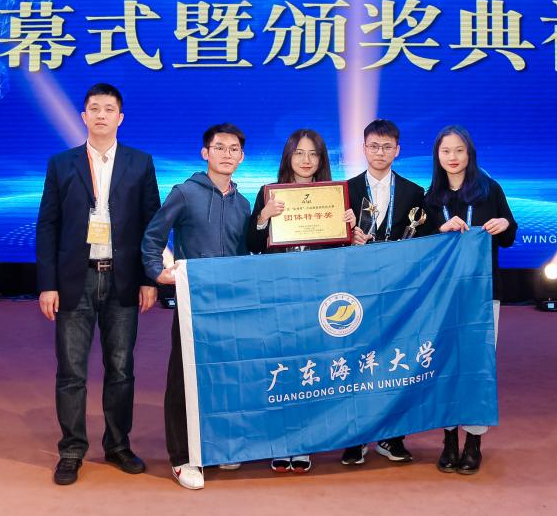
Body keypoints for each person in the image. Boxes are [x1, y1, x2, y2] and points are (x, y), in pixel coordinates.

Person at [35, 83, 161, 486]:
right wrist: (48, 284)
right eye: (94, 108)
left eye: (109, 109)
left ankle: (118, 445)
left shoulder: (140, 163)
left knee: (121, 369)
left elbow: (152, 226)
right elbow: (48, 225)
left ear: (120, 118)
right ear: (84, 116)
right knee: (71, 371)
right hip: (76, 278)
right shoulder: (62, 164)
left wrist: (149, 278)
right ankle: (72, 450)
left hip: (123, 279)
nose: (101, 115)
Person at [141, 124, 252, 490]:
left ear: (241, 156)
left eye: (233, 149)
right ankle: (181, 457)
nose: (226, 154)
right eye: (219, 147)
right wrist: (157, 271)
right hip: (194, 301)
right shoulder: (185, 193)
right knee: (184, 377)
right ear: (206, 153)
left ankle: (216, 447)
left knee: (222, 375)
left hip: (230, 304)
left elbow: (244, 251)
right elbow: (153, 235)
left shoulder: (243, 203)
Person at [248, 128, 355, 474]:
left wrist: (348, 227)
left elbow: (343, 252)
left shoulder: (335, 196)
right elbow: (251, 244)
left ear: (321, 159)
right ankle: (281, 440)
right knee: (281, 366)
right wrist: (263, 217)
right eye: (299, 153)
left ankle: (305, 441)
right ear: (288, 157)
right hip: (278, 293)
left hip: (318, 294)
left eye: (313, 154)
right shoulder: (268, 193)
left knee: (311, 367)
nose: (306, 160)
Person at [422, 125, 516, 476]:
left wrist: (504, 224)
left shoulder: (490, 190)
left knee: (478, 366)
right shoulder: (431, 198)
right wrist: (439, 231)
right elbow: (420, 249)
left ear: (469, 153)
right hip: (442, 297)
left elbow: (509, 236)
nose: (453, 157)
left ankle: (474, 442)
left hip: (483, 293)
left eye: (459, 150)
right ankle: (449, 440)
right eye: (446, 151)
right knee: (445, 364)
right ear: (437, 156)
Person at [339, 119, 425, 467]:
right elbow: (332, 239)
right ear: (363, 148)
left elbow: (422, 241)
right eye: (374, 146)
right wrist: (349, 238)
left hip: (398, 287)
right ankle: (355, 437)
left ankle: (393, 435)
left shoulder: (415, 192)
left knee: (396, 358)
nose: (380, 152)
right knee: (356, 357)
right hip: (356, 287)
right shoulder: (345, 190)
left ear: (397, 150)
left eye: (387, 146)